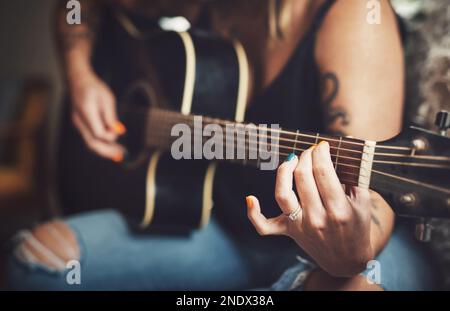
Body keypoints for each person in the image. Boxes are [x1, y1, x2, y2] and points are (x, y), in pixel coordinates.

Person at [5, 0, 436, 290]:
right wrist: (82, 79)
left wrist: (347, 257)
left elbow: (375, 204)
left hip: (349, 245)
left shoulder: (355, 14)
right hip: (222, 228)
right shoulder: (211, 6)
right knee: (35, 263)